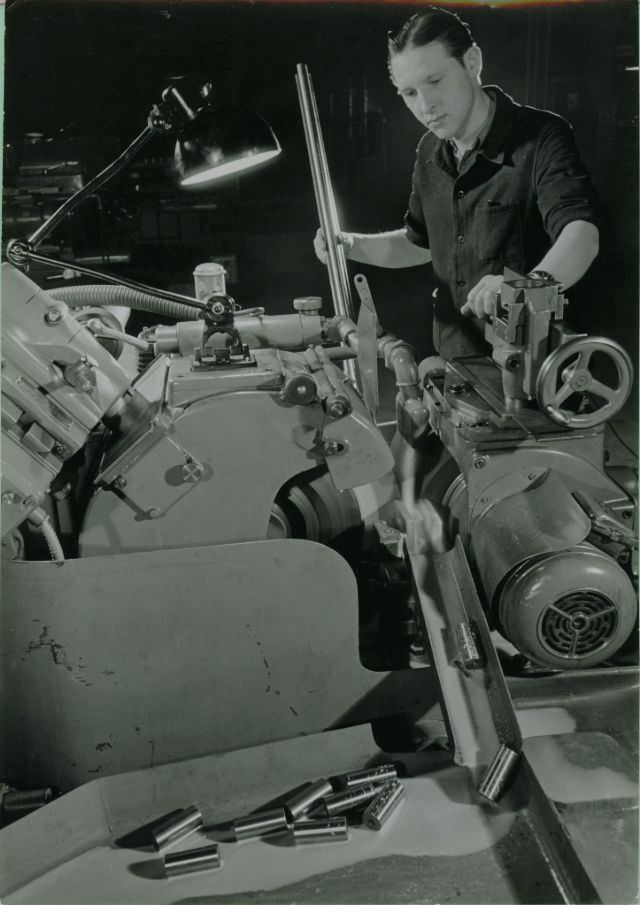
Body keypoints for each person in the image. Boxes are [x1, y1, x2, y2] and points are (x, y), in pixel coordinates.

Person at [314, 6, 602, 359]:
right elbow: (420, 243)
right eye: (409, 93)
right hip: (456, 363)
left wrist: (525, 288)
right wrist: (349, 245)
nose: (426, 106)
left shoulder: (543, 137)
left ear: (472, 62)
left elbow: (581, 235)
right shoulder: (430, 150)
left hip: (535, 371)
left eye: (435, 82)